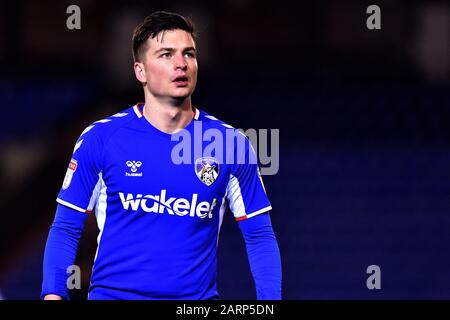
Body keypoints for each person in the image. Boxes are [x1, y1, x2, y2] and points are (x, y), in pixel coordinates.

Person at [41, 11, 281, 300]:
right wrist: (53, 295)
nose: (181, 64)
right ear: (140, 71)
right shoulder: (101, 139)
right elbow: (66, 227)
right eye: (166, 54)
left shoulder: (230, 144)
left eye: (188, 54)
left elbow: (259, 236)